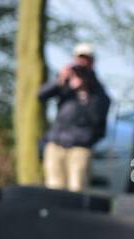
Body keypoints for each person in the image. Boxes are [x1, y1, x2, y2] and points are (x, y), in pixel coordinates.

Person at [37, 43, 111, 192]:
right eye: (80, 58)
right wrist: (60, 81)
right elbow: (41, 95)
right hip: (56, 143)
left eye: (87, 59)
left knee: (76, 190)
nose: (82, 63)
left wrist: (84, 91)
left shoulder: (97, 90)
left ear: (93, 62)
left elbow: (97, 116)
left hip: (80, 147)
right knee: (53, 189)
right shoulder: (65, 83)